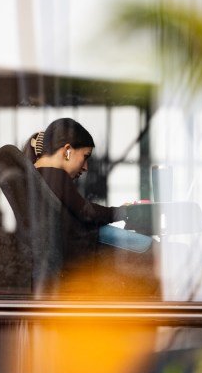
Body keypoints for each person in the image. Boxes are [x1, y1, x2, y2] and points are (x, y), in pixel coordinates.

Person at [22, 118, 158, 297]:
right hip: (87, 243)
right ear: (67, 151)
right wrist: (123, 212)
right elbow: (86, 212)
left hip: (75, 248)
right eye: (85, 156)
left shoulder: (38, 177)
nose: (86, 167)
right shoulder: (55, 176)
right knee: (155, 251)